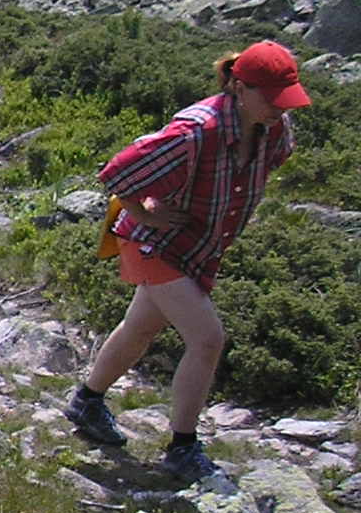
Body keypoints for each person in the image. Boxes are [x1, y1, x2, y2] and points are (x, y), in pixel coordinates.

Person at [64, 40, 312, 481]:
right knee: (208, 338)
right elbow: (119, 172)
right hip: (154, 244)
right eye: (272, 99)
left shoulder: (274, 128)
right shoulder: (197, 130)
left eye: (284, 100)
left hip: (196, 249)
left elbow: (270, 163)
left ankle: (87, 400)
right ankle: (182, 446)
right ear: (239, 86)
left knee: (140, 329)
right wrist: (144, 212)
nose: (280, 109)